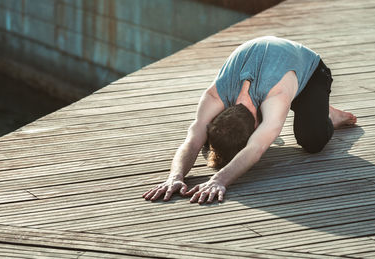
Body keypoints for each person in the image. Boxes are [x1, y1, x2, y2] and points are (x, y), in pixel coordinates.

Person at [143, 36, 357, 204]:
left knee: (312, 141)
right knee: (216, 138)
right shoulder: (217, 93)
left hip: (310, 72)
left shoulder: (276, 94)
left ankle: (327, 114)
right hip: (276, 72)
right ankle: (315, 110)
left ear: (256, 127)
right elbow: (194, 136)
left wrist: (219, 180)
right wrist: (175, 176)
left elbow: (256, 149)